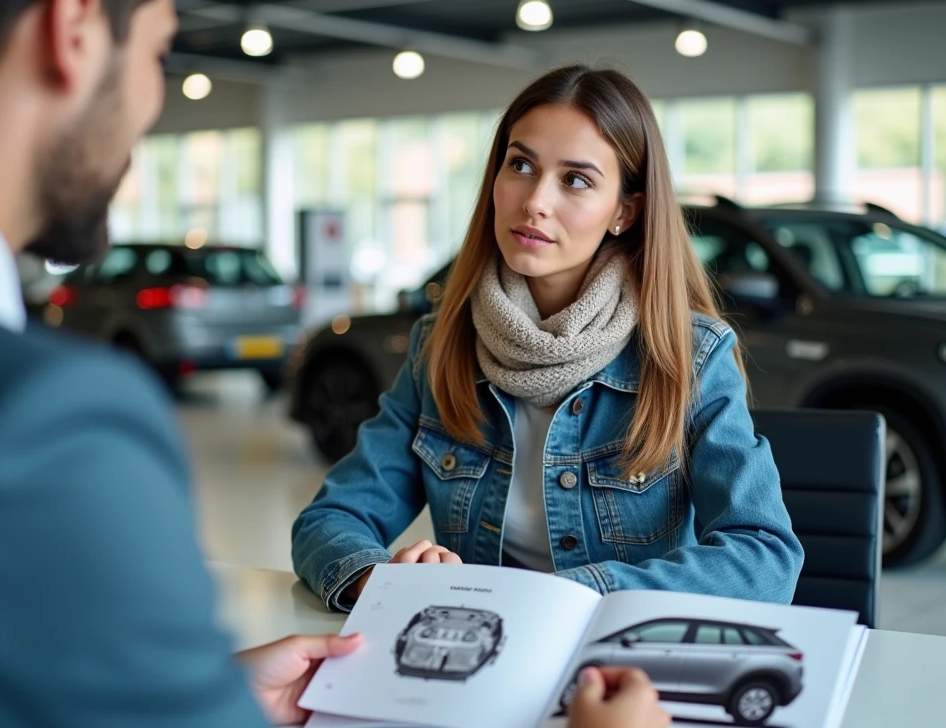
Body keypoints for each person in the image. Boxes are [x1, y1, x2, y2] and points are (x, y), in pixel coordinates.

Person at [0, 1, 672, 728]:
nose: (152, 103)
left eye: (578, 180)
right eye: (161, 50)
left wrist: (200, 700)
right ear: (74, 28)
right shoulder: (29, 421)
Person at [292, 65, 803, 611]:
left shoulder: (689, 355)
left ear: (624, 212)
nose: (535, 200)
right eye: (521, 165)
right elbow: (329, 520)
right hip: (475, 649)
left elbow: (764, 558)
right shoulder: (440, 345)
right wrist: (378, 579)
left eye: (576, 179)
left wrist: (575, 596)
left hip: (614, 665)